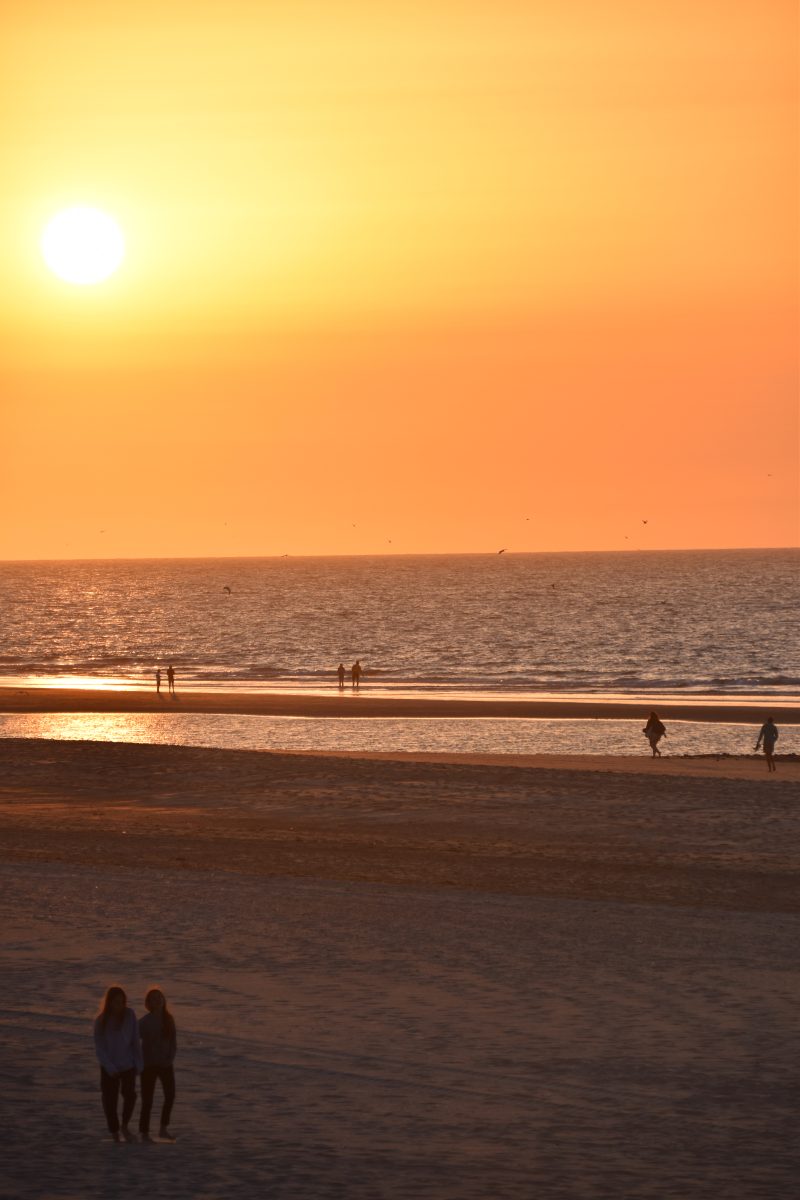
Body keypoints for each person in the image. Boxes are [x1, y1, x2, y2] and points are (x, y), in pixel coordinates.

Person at [94, 986, 143, 1143]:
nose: (120, 1005)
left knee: (130, 1096)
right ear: (109, 1003)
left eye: (122, 1002)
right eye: (116, 1002)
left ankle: (125, 1126)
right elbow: (100, 1049)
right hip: (109, 1067)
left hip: (128, 1064)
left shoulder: (130, 1015)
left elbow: (135, 1041)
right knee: (110, 1100)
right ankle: (115, 1132)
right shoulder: (101, 1021)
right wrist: (110, 1068)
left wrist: (139, 1063)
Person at [138, 987, 177, 1142]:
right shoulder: (144, 1022)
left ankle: (163, 1129)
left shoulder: (169, 1019)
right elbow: (131, 1038)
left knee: (170, 1095)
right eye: (154, 998)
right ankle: (144, 1133)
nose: (158, 1000)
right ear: (149, 1003)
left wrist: (170, 1058)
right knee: (147, 1099)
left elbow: (173, 1042)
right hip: (148, 1065)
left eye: (160, 997)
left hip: (166, 1064)